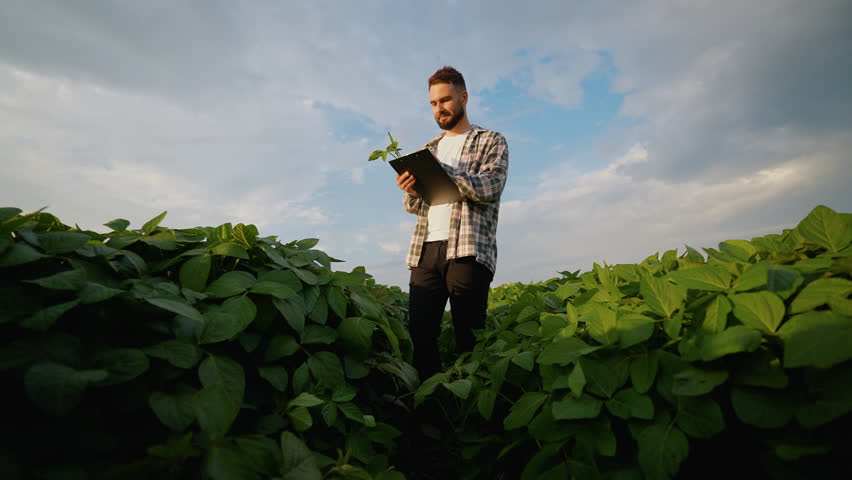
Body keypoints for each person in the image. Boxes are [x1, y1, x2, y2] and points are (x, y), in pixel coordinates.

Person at [395, 66, 509, 379]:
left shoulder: (490, 140)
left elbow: (491, 185)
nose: (439, 108)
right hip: (426, 249)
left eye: (445, 100)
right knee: (421, 335)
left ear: (463, 97)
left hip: (469, 249)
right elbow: (415, 206)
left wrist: (448, 176)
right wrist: (410, 189)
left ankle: (471, 416)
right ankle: (432, 415)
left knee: (470, 339)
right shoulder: (427, 150)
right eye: (433, 103)